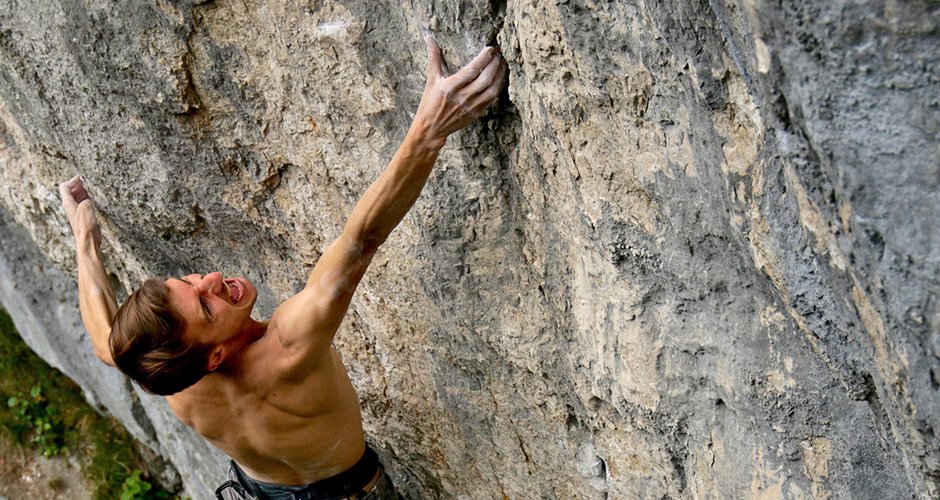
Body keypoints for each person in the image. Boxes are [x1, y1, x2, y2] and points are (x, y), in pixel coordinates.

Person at [59, 37, 506, 500]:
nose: (211, 280)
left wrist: (84, 239)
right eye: (207, 307)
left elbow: (105, 344)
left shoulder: (169, 376)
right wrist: (429, 130)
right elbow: (360, 242)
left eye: (189, 281)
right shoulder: (289, 347)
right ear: (213, 357)